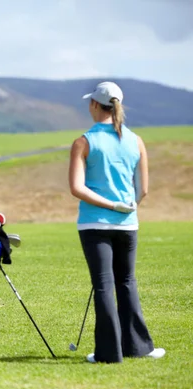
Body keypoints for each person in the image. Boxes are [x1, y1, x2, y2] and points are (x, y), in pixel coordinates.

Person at [68, 81, 164, 363]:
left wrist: (110, 205)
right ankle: (139, 348)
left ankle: (109, 354)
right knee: (126, 282)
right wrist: (126, 207)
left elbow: (77, 187)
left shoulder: (83, 142)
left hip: (94, 224)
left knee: (103, 285)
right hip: (128, 224)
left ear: (95, 105)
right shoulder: (135, 140)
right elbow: (142, 190)